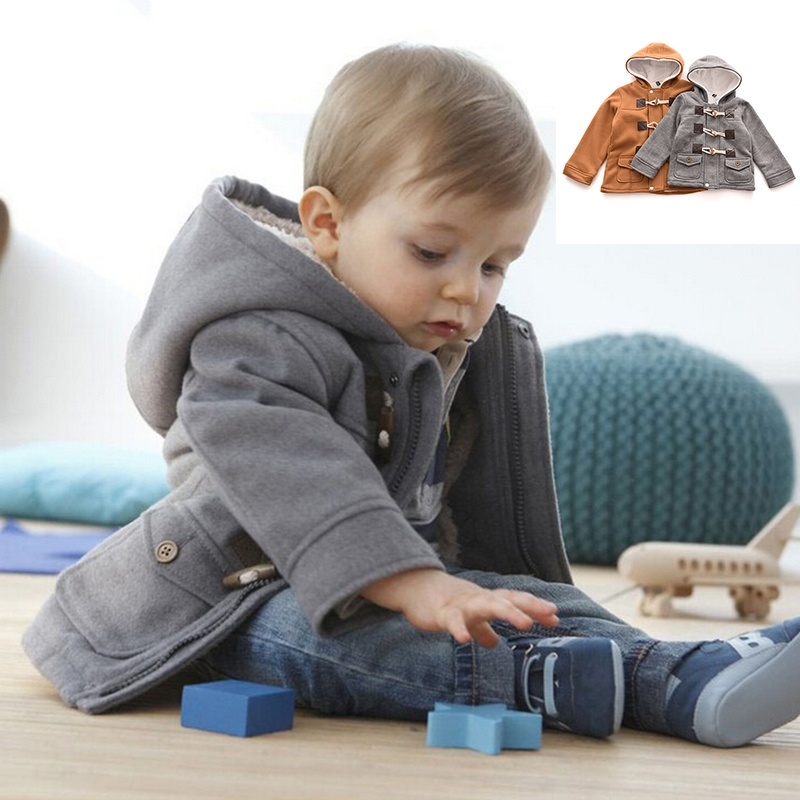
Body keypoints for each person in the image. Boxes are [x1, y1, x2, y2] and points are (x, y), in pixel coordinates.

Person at [23, 43, 800, 748]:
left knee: (530, 600)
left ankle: (672, 672)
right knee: (334, 639)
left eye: (494, 265)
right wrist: (411, 581)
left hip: (383, 579)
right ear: (328, 223)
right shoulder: (254, 341)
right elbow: (295, 468)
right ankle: (543, 679)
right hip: (221, 606)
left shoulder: (431, 346)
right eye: (431, 252)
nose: (467, 290)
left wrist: (467, 580)